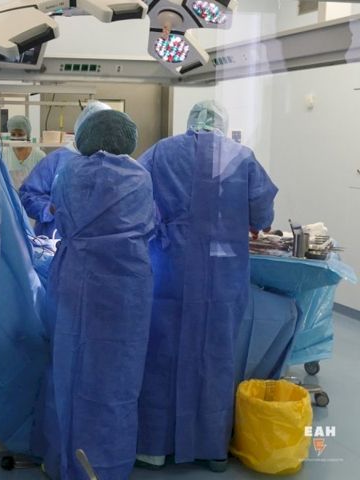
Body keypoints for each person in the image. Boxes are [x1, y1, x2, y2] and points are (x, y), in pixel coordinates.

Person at [135, 100, 278, 471]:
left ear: (190, 120)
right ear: (223, 123)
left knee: (162, 356)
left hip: (170, 270)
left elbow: (134, 198)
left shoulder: (161, 153)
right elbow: (262, 214)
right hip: (221, 276)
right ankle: (212, 448)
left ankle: (153, 447)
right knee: (216, 359)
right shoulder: (242, 158)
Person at [39, 109, 155, 480]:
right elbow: (149, 223)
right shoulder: (140, 176)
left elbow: (56, 214)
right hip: (127, 286)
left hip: (77, 278)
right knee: (119, 376)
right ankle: (109, 463)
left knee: (69, 368)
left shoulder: (69, 172)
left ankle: (65, 459)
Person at [19, 101, 111, 238]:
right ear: (83, 130)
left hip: (95, 242)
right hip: (55, 241)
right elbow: (28, 195)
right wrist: (50, 209)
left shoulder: (111, 162)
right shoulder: (56, 160)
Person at [2, 115, 45, 189]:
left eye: (20, 134)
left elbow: (44, 182)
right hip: (10, 196)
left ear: (28, 135)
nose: (16, 137)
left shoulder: (40, 156)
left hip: (33, 195)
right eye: (13, 134)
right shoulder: (3, 154)